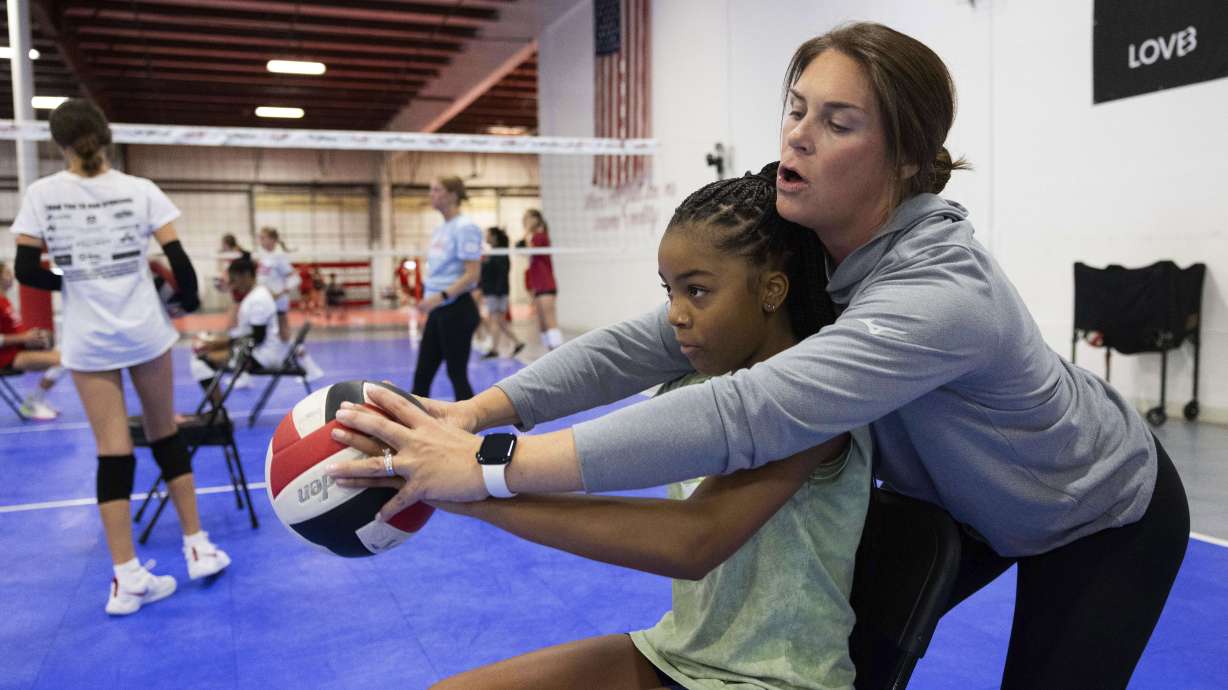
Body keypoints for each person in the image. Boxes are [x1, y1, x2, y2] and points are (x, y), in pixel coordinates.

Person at [330, 22, 1189, 689]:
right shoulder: (805, 236)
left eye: (838, 121)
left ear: (903, 158)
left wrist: (486, 470)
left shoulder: (940, 297)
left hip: (1095, 510)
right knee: (815, 654)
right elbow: (650, 337)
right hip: (963, 499)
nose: (799, 135)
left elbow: (746, 412)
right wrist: (473, 416)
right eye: (797, 107)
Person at [334, 171, 868, 689]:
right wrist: (465, 419)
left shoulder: (811, 404)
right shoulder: (691, 371)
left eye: (698, 291)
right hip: (681, 653)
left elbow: (694, 539)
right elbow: (602, 360)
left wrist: (466, 486)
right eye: (670, 292)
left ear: (772, 290)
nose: (675, 315)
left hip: (773, 680)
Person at [11, 99, 231, 616]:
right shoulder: (141, 191)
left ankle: (126, 576)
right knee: (165, 435)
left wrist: (75, 278)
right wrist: (182, 300)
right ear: (107, 136)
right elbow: (181, 265)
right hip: (145, 333)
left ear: (58, 143)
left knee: (113, 451)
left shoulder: (42, 195)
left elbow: (25, 269)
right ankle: (197, 547)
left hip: (89, 340)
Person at [191, 257, 323, 395]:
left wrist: (217, 345)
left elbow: (257, 337)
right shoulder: (254, 295)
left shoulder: (258, 299)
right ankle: (218, 409)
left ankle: (218, 412)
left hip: (264, 357)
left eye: (234, 280)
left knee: (200, 362)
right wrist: (217, 344)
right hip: (259, 351)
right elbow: (249, 335)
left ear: (246, 276)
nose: (234, 285)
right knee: (203, 355)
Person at [410, 176, 482, 400]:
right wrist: (427, 297)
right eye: (431, 190)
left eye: (437, 190)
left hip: (457, 310)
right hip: (438, 310)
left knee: (456, 374)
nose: (431, 194)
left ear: (452, 195)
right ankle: (411, 431)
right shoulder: (441, 229)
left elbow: (472, 275)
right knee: (422, 375)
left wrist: (439, 296)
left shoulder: (465, 228)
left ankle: (471, 427)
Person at [0, 260, 65, 420]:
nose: (11, 276)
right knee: (65, 360)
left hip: (16, 351)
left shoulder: (5, 301)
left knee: (65, 357)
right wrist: (23, 337)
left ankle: (35, 400)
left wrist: (31, 338)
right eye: (7, 273)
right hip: (5, 357)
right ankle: (35, 401)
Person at [477, 227, 524, 359]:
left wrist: (497, 292)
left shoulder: (500, 254)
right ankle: (517, 343)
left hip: (496, 293)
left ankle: (494, 349)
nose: (486, 237)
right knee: (500, 322)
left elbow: (500, 274)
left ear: (494, 237)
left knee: (494, 320)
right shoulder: (493, 254)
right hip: (496, 292)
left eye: (488, 234)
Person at [519, 209, 563, 350]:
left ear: (535, 219)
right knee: (542, 324)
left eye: (527, 219)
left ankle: (559, 355)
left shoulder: (539, 236)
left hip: (546, 284)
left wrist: (526, 233)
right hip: (538, 286)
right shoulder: (535, 238)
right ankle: (550, 354)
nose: (524, 222)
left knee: (550, 322)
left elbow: (521, 246)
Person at [255, 226, 300, 343]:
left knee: (283, 332)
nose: (260, 240)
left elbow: (295, 278)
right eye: (260, 238)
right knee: (268, 332)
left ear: (272, 240)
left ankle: (293, 354)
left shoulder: (279, 256)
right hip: (265, 301)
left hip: (277, 301)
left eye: (263, 238)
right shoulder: (264, 256)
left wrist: (279, 294)